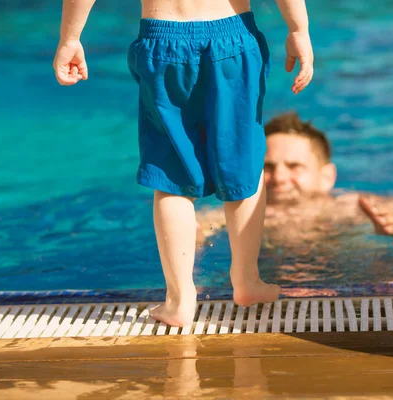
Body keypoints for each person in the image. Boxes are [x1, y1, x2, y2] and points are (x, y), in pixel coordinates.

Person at [53, 0, 314, 327]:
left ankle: (179, 299)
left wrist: (70, 38)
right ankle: (247, 280)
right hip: (232, 38)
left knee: (172, 178)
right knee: (243, 167)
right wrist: (298, 30)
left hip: (164, 42)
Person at [197, 112, 393, 249]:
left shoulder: (353, 206)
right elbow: (197, 226)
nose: (280, 178)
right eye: (268, 167)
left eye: (295, 167)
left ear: (327, 176)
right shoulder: (241, 213)